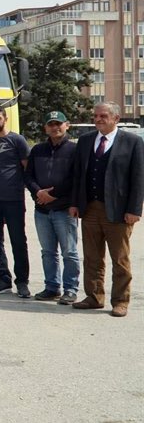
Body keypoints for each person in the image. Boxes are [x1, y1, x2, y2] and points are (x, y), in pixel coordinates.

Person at [69, 102, 144, 317]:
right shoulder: (85, 141)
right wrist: (75, 203)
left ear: (116, 118)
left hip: (119, 211)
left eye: (103, 116)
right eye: (95, 116)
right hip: (90, 208)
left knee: (120, 259)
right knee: (92, 257)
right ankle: (94, 297)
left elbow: (138, 178)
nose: (98, 119)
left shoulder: (132, 142)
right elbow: (77, 175)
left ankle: (120, 301)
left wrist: (134, 209)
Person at [25, 110, 79, 304]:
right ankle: (52, 287)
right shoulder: (38, 150)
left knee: (69, 252)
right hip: (42, 210)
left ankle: (70, 289)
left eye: (59, 123)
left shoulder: (75, 150)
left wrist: (52, 194)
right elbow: (28, 176)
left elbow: (75, 179)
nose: (55, 127)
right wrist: (38, 192)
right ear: (45, 128)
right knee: (48, 252)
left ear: (67, 125)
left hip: (64, 209)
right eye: (51, 124)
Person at [0, 105, 32, 298]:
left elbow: (27, 168)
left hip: (13, 199)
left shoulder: (17, 140)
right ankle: (3, 279)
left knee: (18, 241)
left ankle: (22, 282)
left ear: (5, 119)